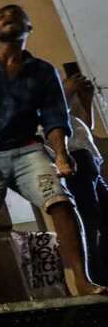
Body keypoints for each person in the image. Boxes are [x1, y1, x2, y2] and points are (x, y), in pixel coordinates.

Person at [0, 4, 108, 302]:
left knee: (61, 201)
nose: (8, 18)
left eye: (16, 16)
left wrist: (60, 153)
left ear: (28, 29)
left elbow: (54, 117)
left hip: (27, 150)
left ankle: (83, 280)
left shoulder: (43, 71)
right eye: (1, 17)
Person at [63, 72, 108, 284]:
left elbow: (84, 127)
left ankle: (102, 270)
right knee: (88, 218)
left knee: (102, 215)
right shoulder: (40, 98)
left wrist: (86, 100)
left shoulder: (67, 109)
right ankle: (95, 276)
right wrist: (66, 91)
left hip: (89, 157)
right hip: (73, 158)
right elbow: (45, 119)